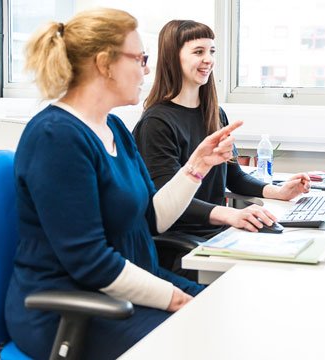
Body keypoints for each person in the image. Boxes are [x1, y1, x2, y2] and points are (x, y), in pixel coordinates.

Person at [5, 9, 242, 359]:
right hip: (72, 308)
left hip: (129, 288)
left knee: (233, 316)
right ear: (105, 64)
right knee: (205, 342)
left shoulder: (114, 128)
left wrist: (197, 166)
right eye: (140, 58)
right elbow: (91, 262)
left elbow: (151, 220)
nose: (146, 69)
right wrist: (174, 298)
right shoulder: (56, 137)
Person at [133, 20, 311, 241]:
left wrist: (279, 192)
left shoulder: (214, 113)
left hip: (219, 233)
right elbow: (166, 199)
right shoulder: (157, 122)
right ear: (172, 57)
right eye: (198, 51)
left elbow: (234, 176)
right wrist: (232, 215)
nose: (208, 59)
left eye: (212, 51)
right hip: (182, 240)